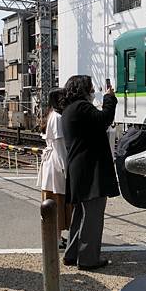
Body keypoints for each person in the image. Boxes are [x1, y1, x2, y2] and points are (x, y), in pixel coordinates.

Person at [61, 75, 119, 270]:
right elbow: (105, 118)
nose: (93, 91)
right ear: (83, 89)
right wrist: (110, 99)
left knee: (80, 213)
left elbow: (97, 124)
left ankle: (72, 253)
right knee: (93, 215)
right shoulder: (82, 107)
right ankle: (88, 258)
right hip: (90, 169)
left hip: (79, 168)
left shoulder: (70, 109)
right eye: (91, 88)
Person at [37, 88, 70, 249]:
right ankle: (56, 239)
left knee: (51, 201)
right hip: (56, 165)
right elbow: (60, 147)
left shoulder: (50, 115)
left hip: (50, 164)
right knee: (56, 201)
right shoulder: (57, 118)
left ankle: (56, 237)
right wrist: (66, 167)